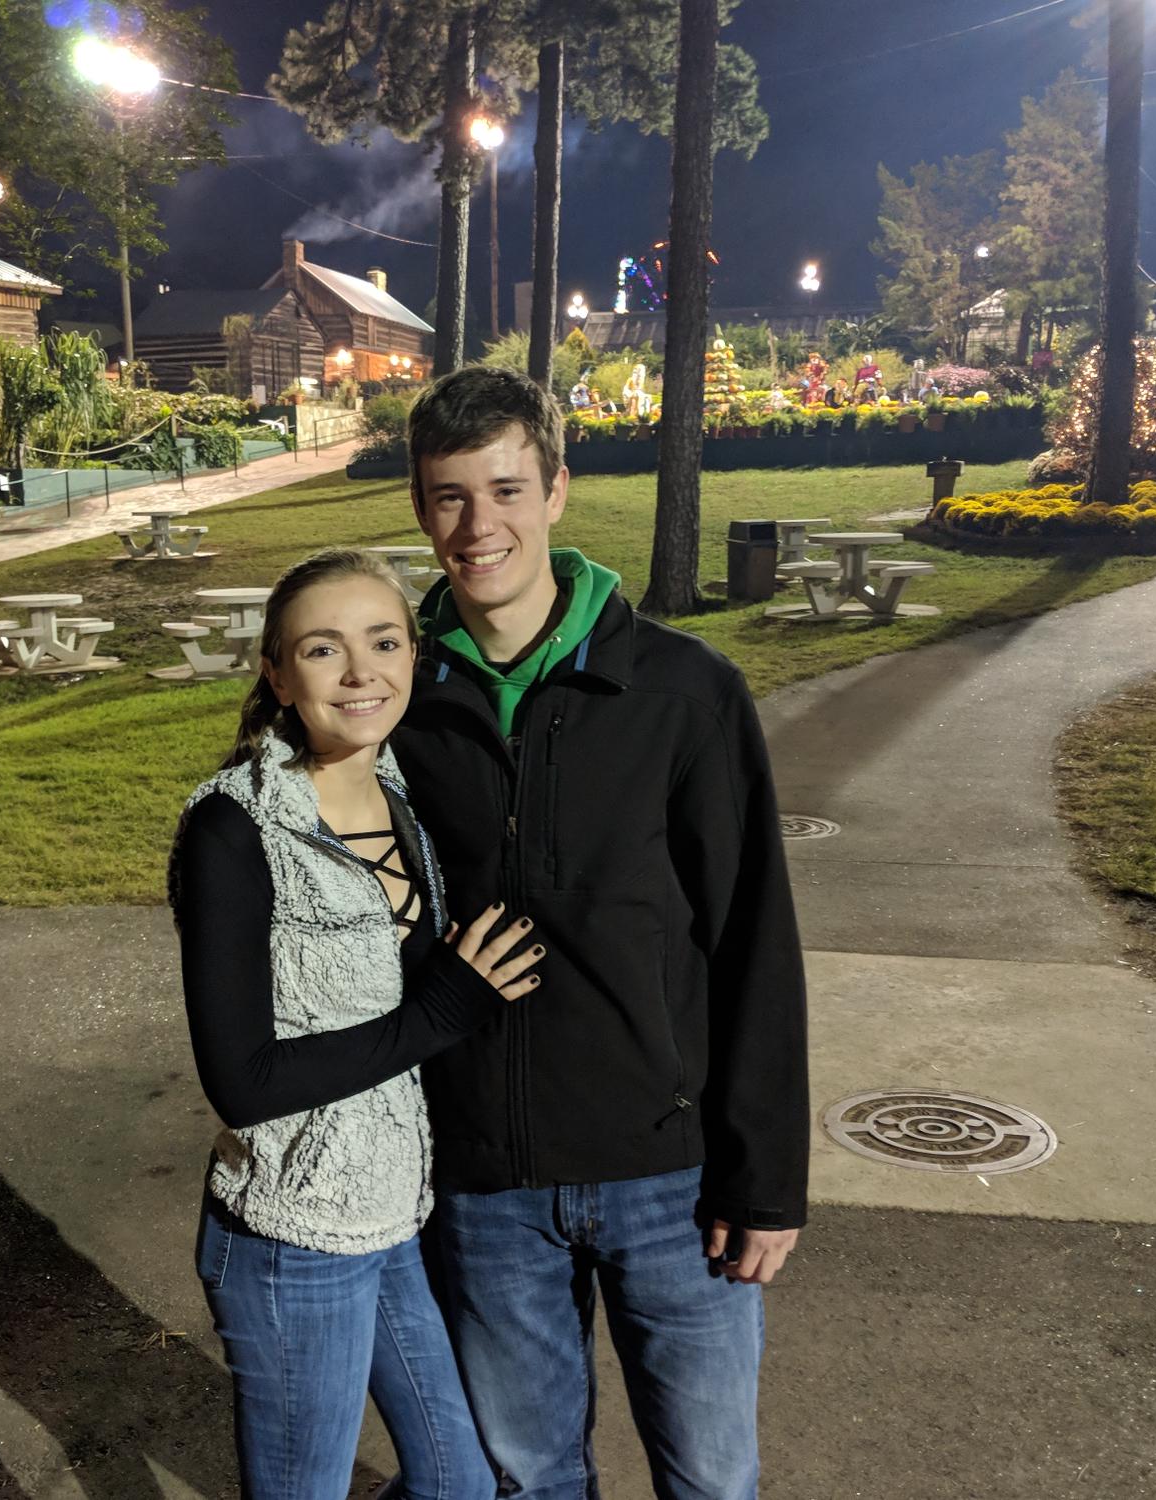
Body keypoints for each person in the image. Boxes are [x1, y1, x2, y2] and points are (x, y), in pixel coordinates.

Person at [392, 368, 810, 1499]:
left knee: (711, 1482)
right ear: (420, 507)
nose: (480, 527)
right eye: (448, 497)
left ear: (559, 489)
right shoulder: (398, 698)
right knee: (532, 1483)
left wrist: (764, 1178)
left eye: (506, 488)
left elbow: (754, 939)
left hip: (670, 1183)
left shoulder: (683, 692)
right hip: (484, 1184)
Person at [169, 547, 544, 1500]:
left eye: (383, 642)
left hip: (391, 1217)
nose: (360, 672)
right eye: (323, 650)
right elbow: (243, 1081)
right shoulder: (234, 829)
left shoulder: (400, 794)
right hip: (292, 1242)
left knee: (459, 1485)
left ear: (414, 654)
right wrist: (445, 1009)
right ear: (277, 673)